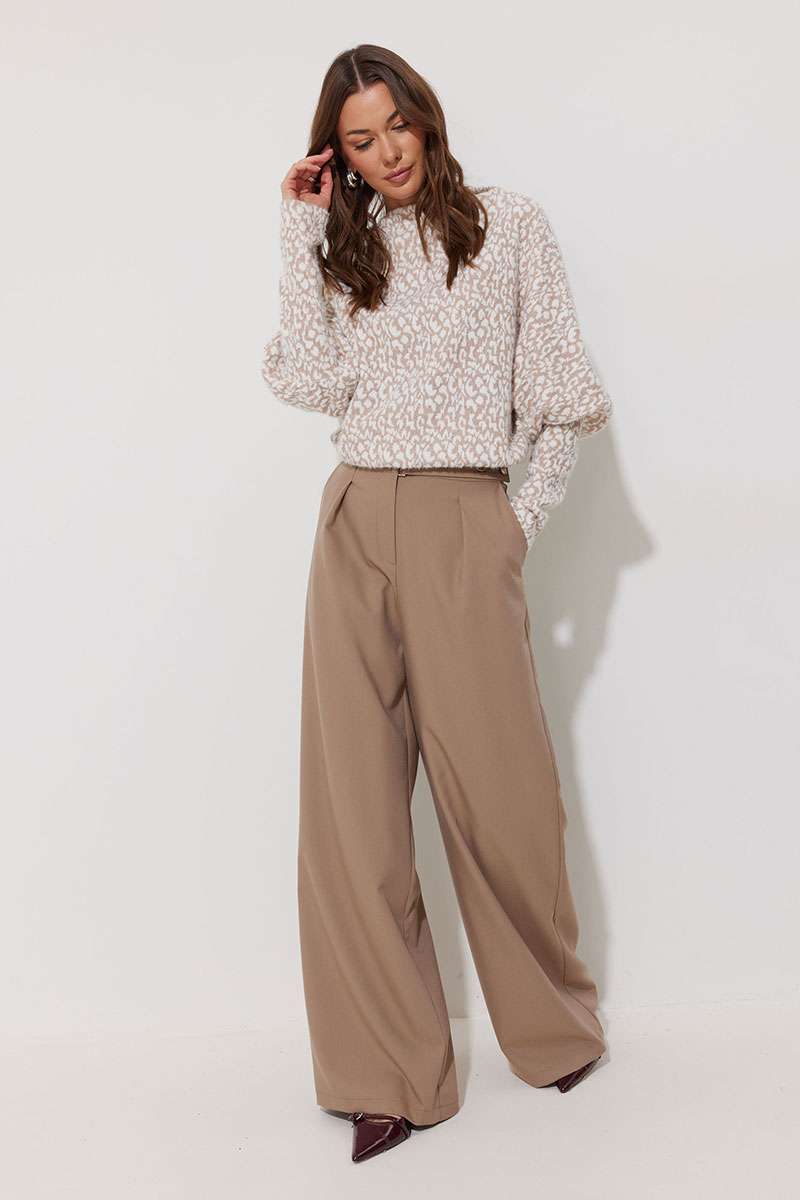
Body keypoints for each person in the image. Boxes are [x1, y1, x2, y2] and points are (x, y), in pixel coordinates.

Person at [261, 43, 613, 1165]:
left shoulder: (507, 227)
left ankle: (552, 1026)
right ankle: (386, 1073)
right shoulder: (347, 245)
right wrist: (300, 233)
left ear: (426, 114)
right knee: (353, 810)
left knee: (502, 791)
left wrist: (515, 525)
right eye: (358, 141)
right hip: (356, 518)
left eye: (396, 126)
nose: (387, 154)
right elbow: (312, 380)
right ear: (338, 155)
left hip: (467, 517)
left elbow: (559, 394)